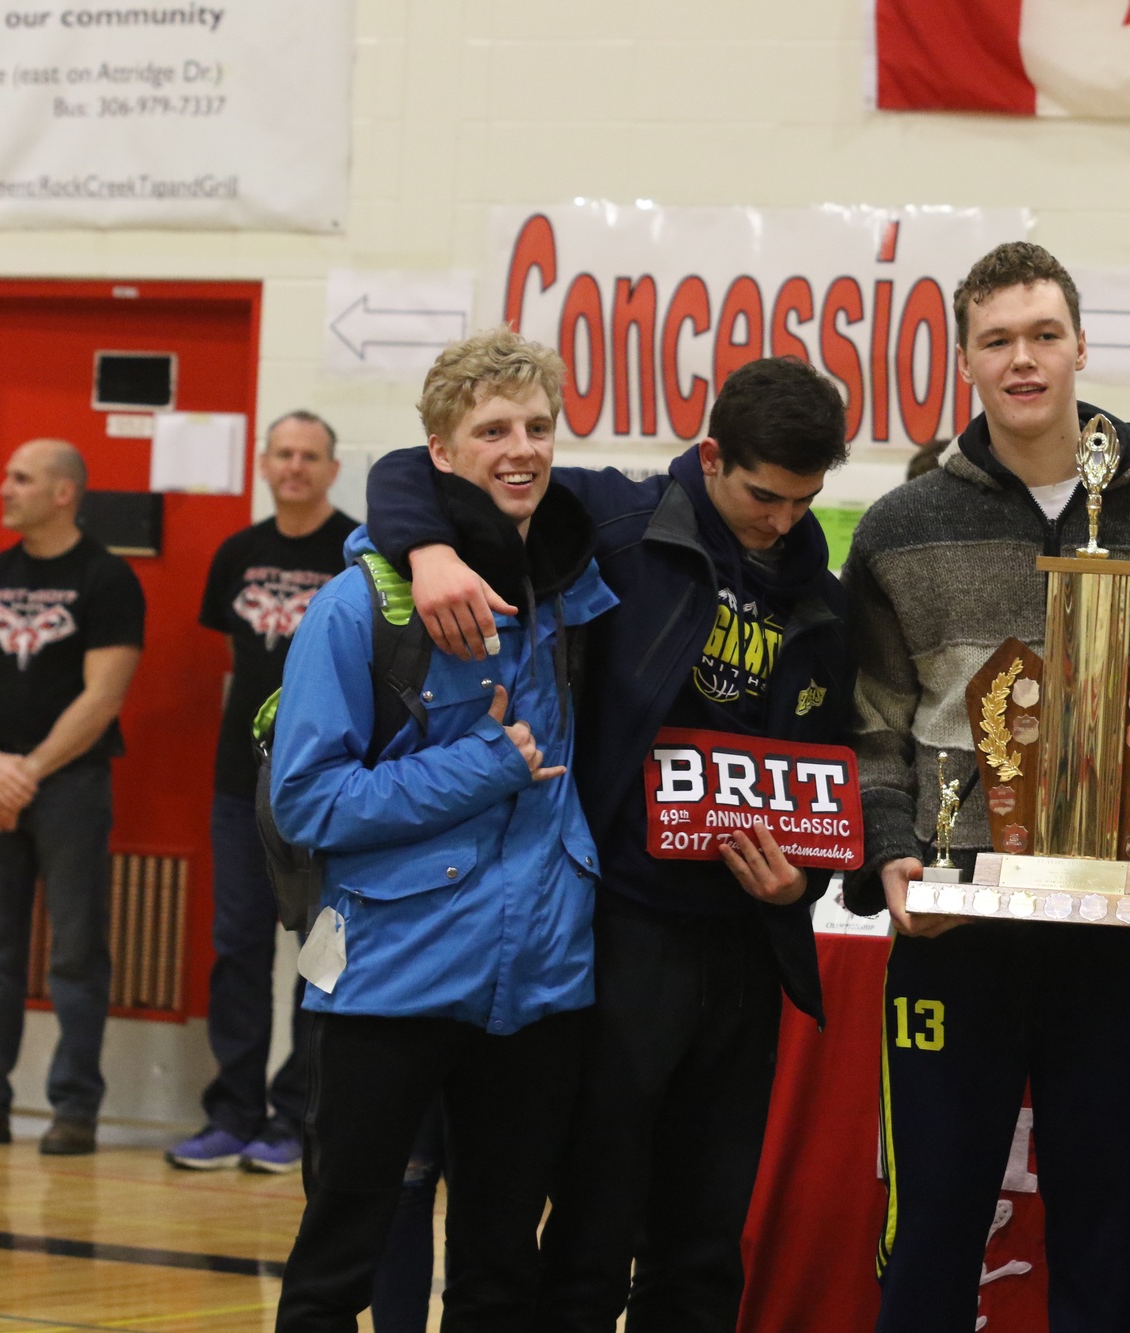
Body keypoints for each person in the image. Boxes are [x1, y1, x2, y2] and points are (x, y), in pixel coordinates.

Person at [364, 353, 855, 1332]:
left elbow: (829, 773)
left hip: (746, 941)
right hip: (621, 926)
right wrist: (428, 552)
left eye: (803, 501)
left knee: (705, 1238)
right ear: (710, 457)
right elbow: (407, 470)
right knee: (593, 1222)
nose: (781, 520)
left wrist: (802, 882)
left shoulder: (824, 597)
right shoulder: (617, 520)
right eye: (763, 496)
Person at [844, 240, 1130, 1333]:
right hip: (955, 918)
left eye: (1044, 335)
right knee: (930, 1227)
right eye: (997, 340)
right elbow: (872, 719)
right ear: (965, 360)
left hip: (1121, 920)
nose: (1023, 359)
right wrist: (890, 847)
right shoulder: (902, 526)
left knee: (1108, 1236)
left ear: (1081, 345)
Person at [269, 328, 615, 1331]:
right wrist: (483, 765)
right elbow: (308, 801)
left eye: (538, 427)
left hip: (541, 977)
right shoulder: (358, 607)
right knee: (340, 1260)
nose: (522, 449)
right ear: (441, 451)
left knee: (501, 1270)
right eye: (493, 430)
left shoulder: (574, 592)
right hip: (391, 975)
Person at [167, 412, 354, 1174]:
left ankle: (295, 1115)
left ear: (333, 468)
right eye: (285, 453)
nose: (296, 466)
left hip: (326, 782)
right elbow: (235, 660)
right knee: (237, 945)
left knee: (320, 949)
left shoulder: (358, 550)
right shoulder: (236, 552)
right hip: (238, 782)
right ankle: (233, 1111)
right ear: (265, 464)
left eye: (311, 455)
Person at [0, 439, 145, 1156]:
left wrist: (29, 771)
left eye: (21, 479)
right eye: (6, 477)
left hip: (72, 783)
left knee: (75, 952)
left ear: (63, 493)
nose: (4, 489)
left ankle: (75, 1108)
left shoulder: (105, 578)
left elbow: (103, 697)